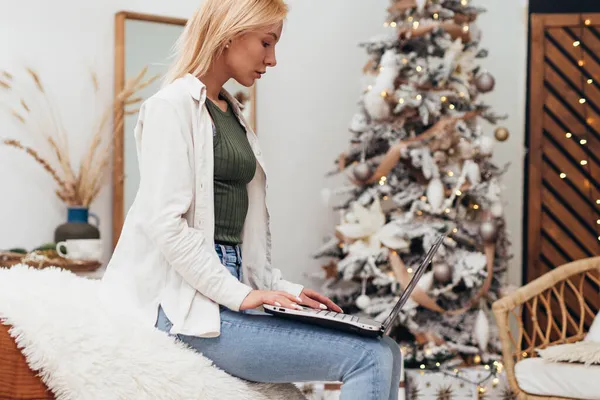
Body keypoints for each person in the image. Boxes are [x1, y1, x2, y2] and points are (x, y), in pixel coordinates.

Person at [102, 0, 402, 398]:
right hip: (181, 308)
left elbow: (235, 240)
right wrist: (243, 296)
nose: (272, 59)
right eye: (266, 42)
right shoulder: (170, 108)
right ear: (230, 34)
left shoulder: (231, 113)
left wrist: (284, 289)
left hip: (222, 292)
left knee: (386, 349)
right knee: (369, 356)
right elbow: (167, 226)